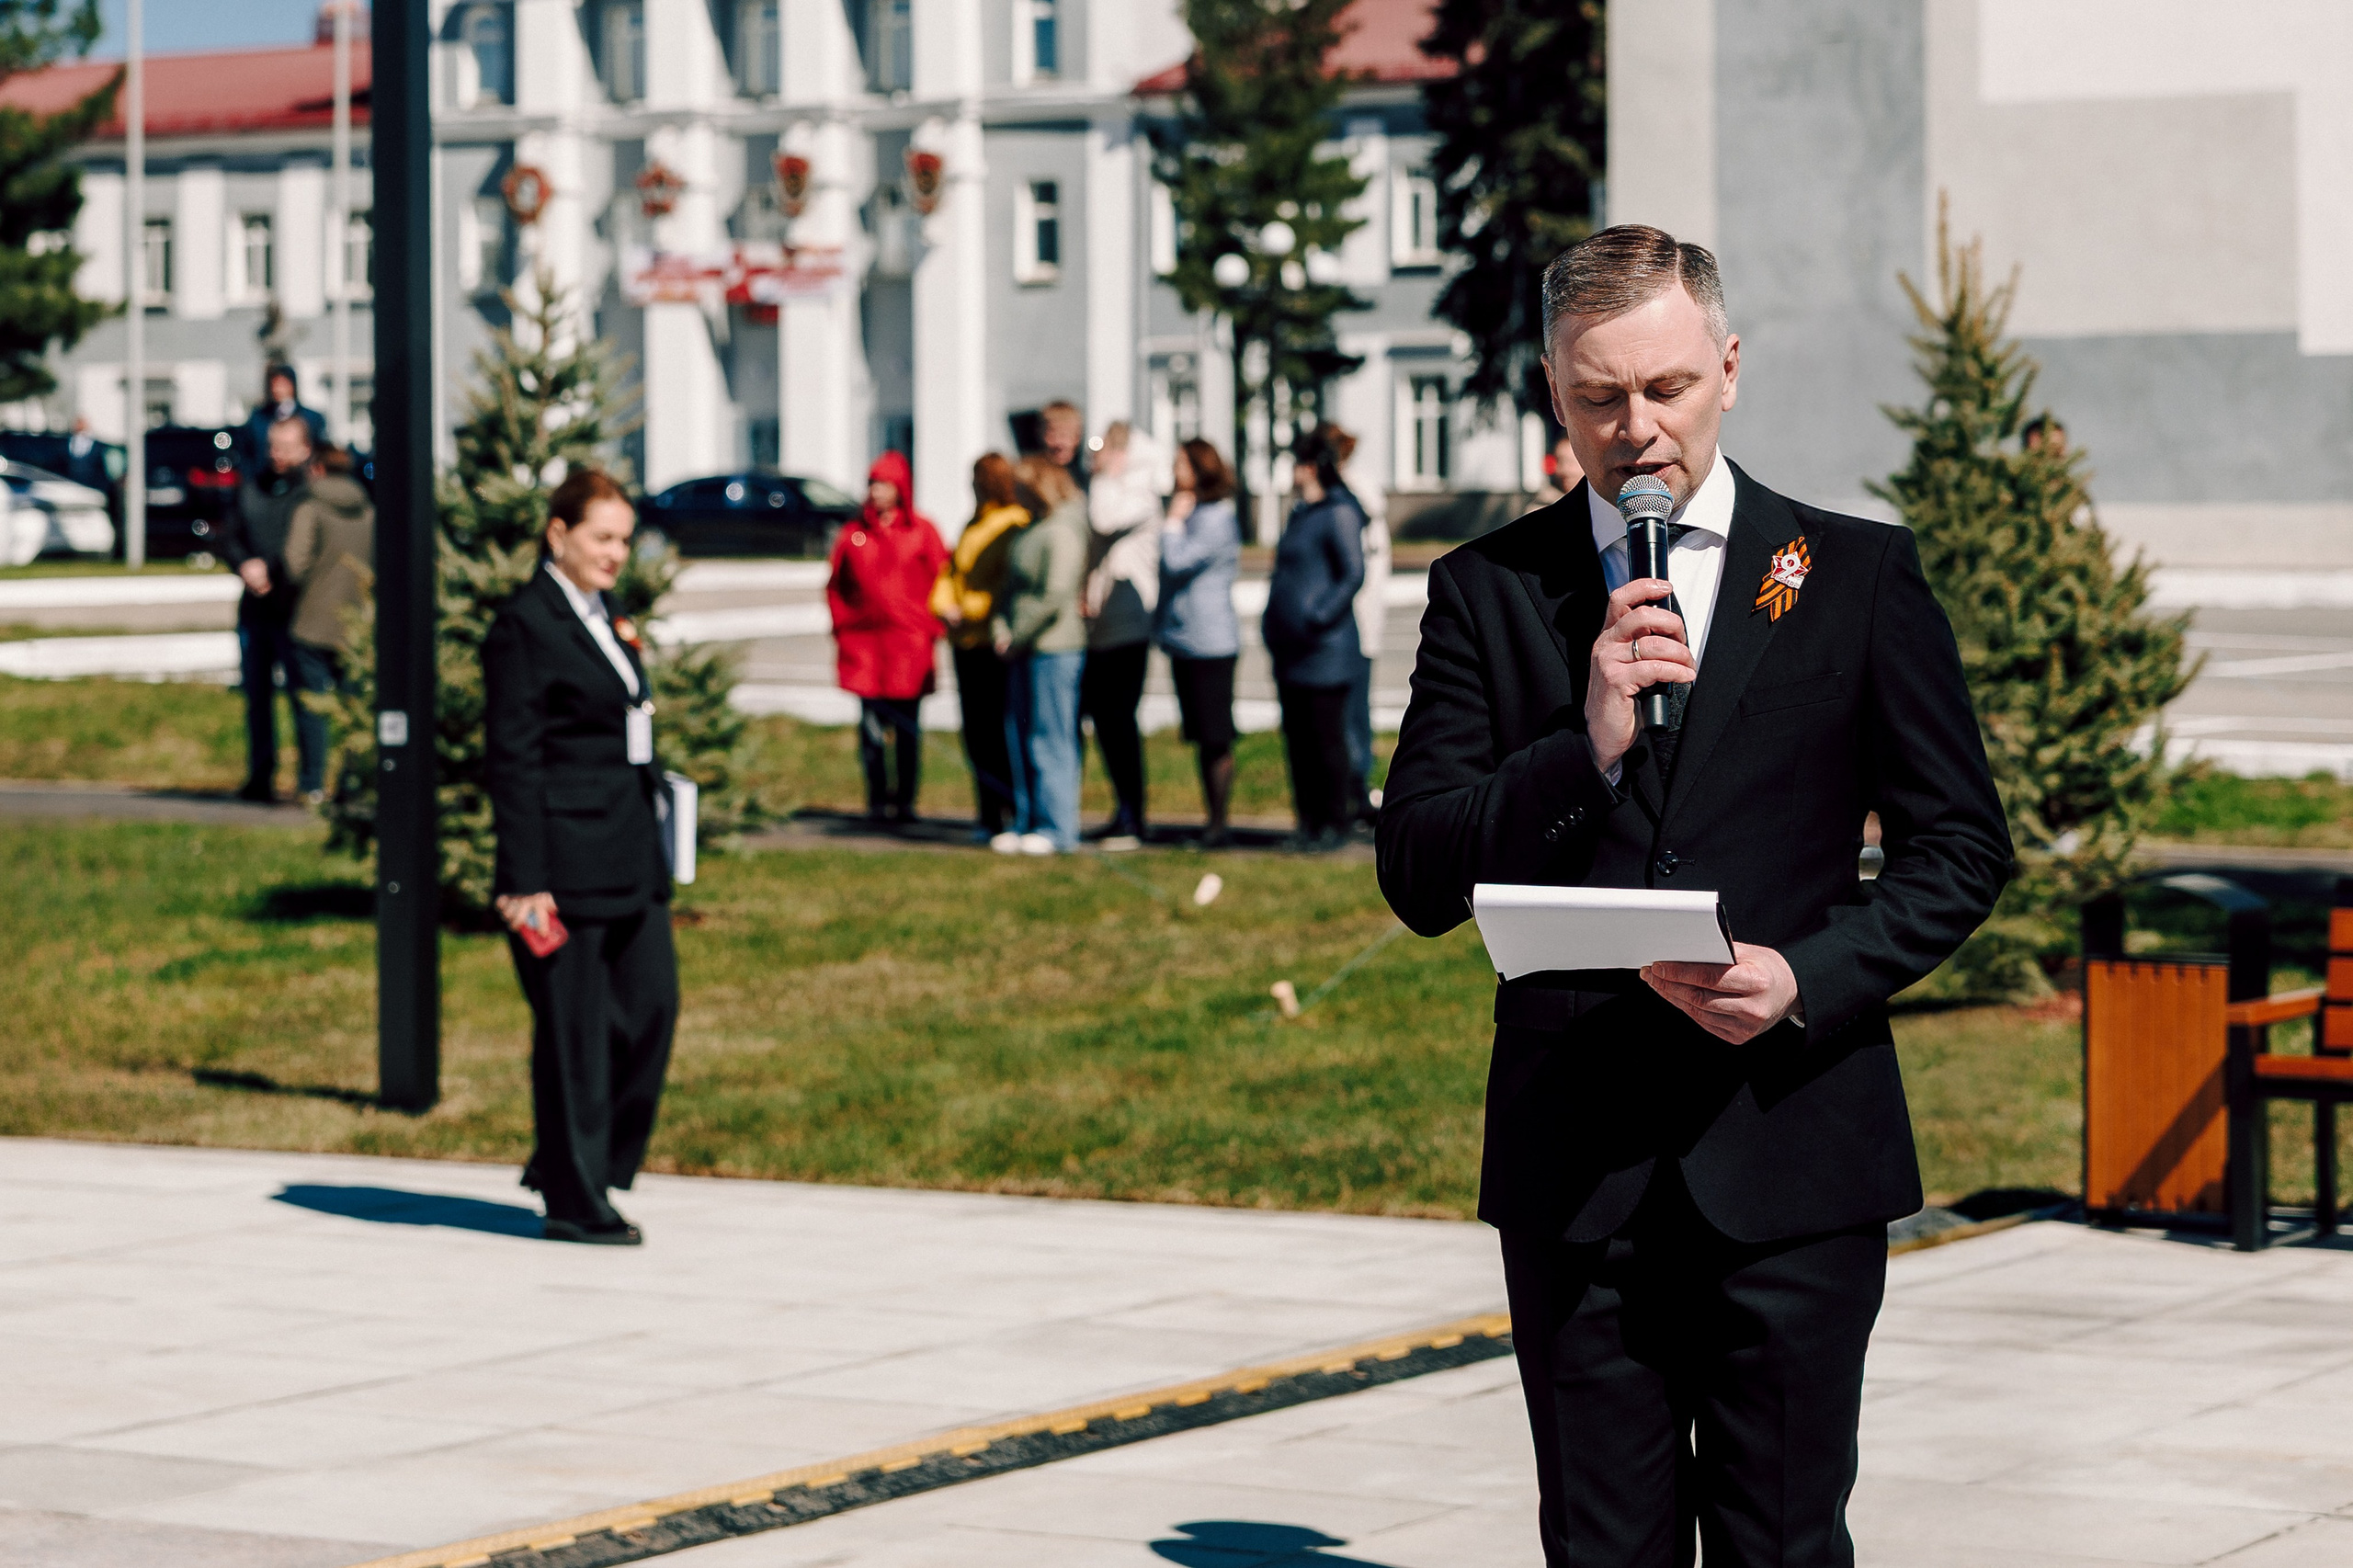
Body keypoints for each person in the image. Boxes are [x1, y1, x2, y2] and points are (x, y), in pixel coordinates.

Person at [1375, 224, 2010, 1565]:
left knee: (1783, 1540)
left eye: (1665, 389)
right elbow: (1421, 872)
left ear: (1728, 367)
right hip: (1579, 1169)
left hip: (1790, 1148)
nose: (1637, 430)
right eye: (1600, 396)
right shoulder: (1489, 591)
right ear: (1554, 389)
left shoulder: (1851, 576)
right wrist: (1585, 742)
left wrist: (1807, 977)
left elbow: (1960, 848)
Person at [483, 466, 680, 1246]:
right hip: (562, 866)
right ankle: (575, 1196)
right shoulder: (525, 626)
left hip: (629, 854)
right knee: (576, 1035)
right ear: (557, 534)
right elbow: (513, 759)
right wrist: (525, 880)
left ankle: (574, 1160)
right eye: (602, 537)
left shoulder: (608, 614)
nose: (616, 553)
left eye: (625, 540)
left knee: (651, 1012)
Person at [827, 450, 948, 825]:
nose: (876, 491)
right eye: (872, 483)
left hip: (908, 647)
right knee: (872, 732)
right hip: (866, 649)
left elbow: (942, 580)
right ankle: (877, 800)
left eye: (884, 484)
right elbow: (836, 586)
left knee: (908, 730)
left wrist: (932, 627)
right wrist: (844, 625)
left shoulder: (922, 531)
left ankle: (905, 802)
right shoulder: (855, 534)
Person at [1263, 426, 1367, 850]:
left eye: (1298, 464)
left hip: (1325, 650)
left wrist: (1316, 615)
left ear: (1311, 468)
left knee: (1326, 739)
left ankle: (1333, 824)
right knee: (1298, 740)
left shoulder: (1339, 512)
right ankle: (1306, 821)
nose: (1293, 471)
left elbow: (1352, 573)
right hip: (1290, 650)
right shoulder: (1300, 513)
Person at [217, 415, 319, 802]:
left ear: (305, 449)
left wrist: (273, 570)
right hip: (254, 610)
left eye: (287, 447)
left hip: (294, 608)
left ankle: (311, 780)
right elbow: (230, 536)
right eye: (274, 446)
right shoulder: (251, 487)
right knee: (257, 698)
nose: (278, 455)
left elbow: (307, 547)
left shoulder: (310, 492)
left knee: (304, 697)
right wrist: (244, 564)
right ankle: (260, 776)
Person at [994, 455, 1088, 854]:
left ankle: (1057, 827)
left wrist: (1017, 633)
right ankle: (1026, 819)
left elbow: (1054, 593)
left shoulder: (1063, 529)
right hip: (1021, 647)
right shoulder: (1028, 528)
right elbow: (1009, 588)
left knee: (1050, 738)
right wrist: (1003, 629)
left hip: (1054, 647)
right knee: (1020, 736)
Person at [931, 453, 1028, 840]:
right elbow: (952, 572)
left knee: (997, 731)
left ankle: (1010, 808)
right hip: (965, 642)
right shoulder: (974, 522)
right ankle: (987, 812)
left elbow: (1005, 586)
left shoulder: (1012, 523)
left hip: (992, 642)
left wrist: (970, 608)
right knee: (974, 732)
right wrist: (942, 604)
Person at [1080, 421, 1162, 849]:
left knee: (1119, 721)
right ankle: (1122, 811)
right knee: (1106, 724)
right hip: (1101, 624)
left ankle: (1134, 816)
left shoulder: (1138, 495)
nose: (1097, 457)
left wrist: (1106, 475)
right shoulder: (1112, 488)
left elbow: (1103, 519)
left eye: (1106, 449)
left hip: (1129, 624)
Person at [1156, 437, 1242, 848]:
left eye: (1182, 464)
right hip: (1185, 640)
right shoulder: (1196, 513)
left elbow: (1177, 561)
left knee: (1215, 734)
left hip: (1210, 641)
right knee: (1200, 736)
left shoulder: (1215, 517)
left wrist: (1171, 524)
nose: (1175, 471)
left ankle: (1219, 824)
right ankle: (1211, 819)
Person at [281, 443, 375, 801]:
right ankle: (351, 784)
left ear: (317, 469)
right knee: (354, 710)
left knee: (312, 708)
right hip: (357, 624)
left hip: (313, 621)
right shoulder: (368, 509)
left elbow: (295, 563)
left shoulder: (310, 507)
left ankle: (313, 783)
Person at [1332, 424, 1389, 826]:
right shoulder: (1359, 491)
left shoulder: (1353, 494)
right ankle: (1351, 790)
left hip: (1357, 624)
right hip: (1356, 623)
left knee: (1351, 715)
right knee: (1348, 714)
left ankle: (1358, 788)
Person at [235, 364, 328, 474]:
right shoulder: (258, 418)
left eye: (282, 384)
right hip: (264, 482)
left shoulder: (313, 418)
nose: (277, 389)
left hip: (302, 480)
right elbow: (247, 451)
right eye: (274, 384)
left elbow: (321, 452)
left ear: (293, 385)